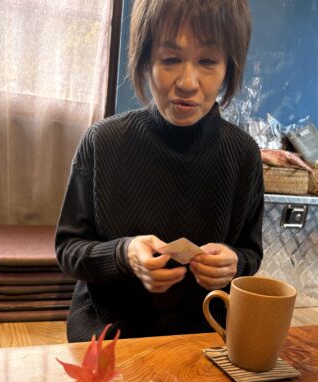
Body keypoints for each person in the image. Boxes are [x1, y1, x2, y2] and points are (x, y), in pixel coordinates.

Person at [56, 0, 264, 341]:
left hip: (204, 333)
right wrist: (123, 255)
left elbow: (251, 252)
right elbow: (68, 250)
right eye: (170, 59)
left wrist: (234, 263)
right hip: (109, 333)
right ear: (145, 61)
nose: (187, 82)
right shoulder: (102, 142)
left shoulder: (243, 154)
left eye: (208, 61)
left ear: (229, 67)